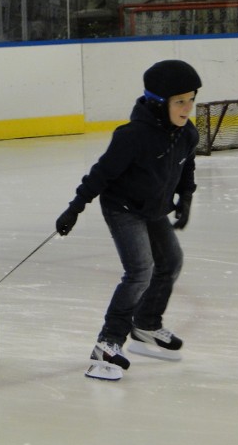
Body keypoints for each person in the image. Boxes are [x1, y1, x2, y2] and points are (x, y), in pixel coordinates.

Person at [55, 60, 202, 380]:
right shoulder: (132, 136)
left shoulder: (187, 132)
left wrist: (185, 197)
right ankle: (107, 344)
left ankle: (146, 325)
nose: (188, 107)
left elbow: (186, 166)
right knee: (139, 271)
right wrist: (75, 207)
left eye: (191, 99)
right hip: (123, 208)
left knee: (172, 262)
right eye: (180, 101)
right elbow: (101, 174)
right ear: (158, 102)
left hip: (154, 208)